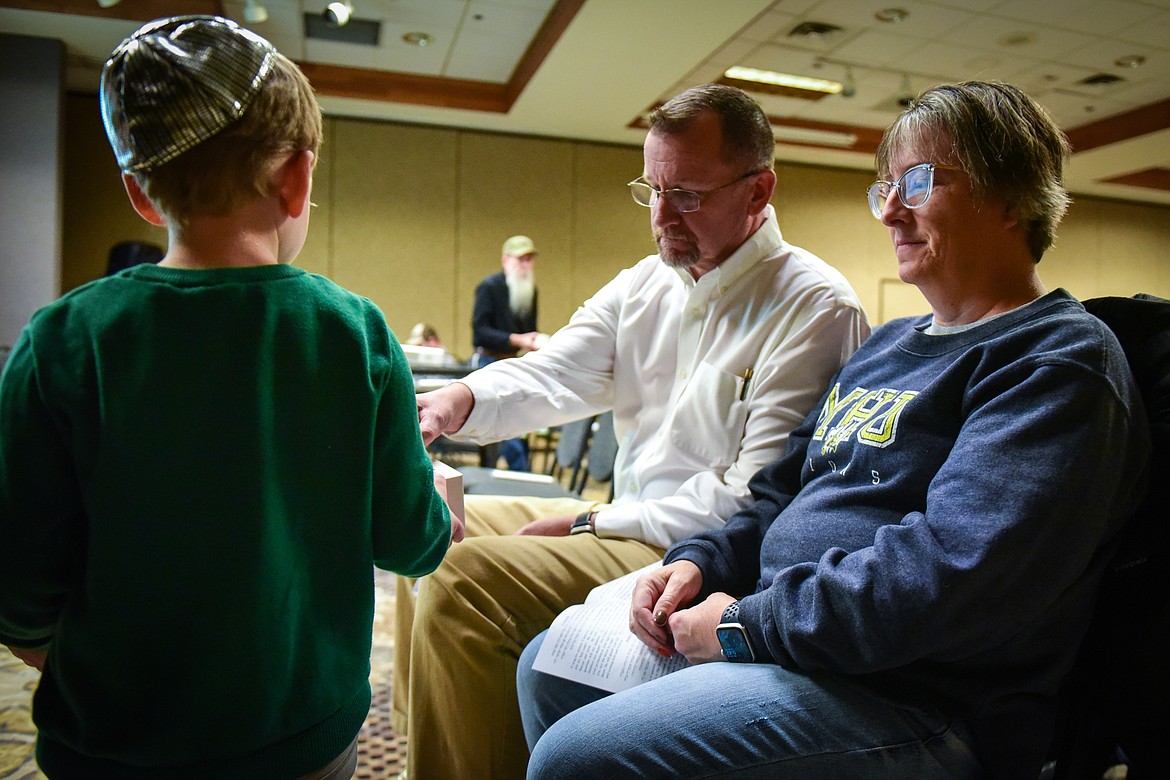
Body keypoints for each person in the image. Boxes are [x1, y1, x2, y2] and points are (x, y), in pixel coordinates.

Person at [516, 81, 1152, 780]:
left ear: (1012, 193)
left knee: (575, 758)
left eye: (918, 181)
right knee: (549, 672)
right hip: (807, 652)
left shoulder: (1057, 361)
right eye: (884, 186)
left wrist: (744, 626)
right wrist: (698, 562)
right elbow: (776, 494)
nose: (891, 209)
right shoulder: (886, 346)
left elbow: (949, 576)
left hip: (919, 700)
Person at [0, 16, 454, 779]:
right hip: (305, 734)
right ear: (298, 178)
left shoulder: (63, 341)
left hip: (111, 742)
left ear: (140, 194)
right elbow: (410, 541)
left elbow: (18, 582)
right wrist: (443, 506)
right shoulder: (354, 333)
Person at [393, 83, 870, 779]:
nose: (663, 217)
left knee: (464, 580)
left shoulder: (813, 306)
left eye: (688, 195)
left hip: (692, 554)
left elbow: (754, 505)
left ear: (758, 190)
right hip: (624, 519)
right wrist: (459, 399)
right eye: (651, 190)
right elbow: (556, 370)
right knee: (428, 528)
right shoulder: (648, 282)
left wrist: (592, 520)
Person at [471, 234, 548, 470]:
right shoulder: (489, 287)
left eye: (529, 259)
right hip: (488, 361)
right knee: (506, 427)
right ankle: (522, 474)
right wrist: (517, 339)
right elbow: (480, 330)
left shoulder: (530, 291)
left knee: (521, 423)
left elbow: (529, 330)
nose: (525, 264)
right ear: (506, 260)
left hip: (514, 364)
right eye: (520, 259)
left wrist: (536, 340)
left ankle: (522, 473)